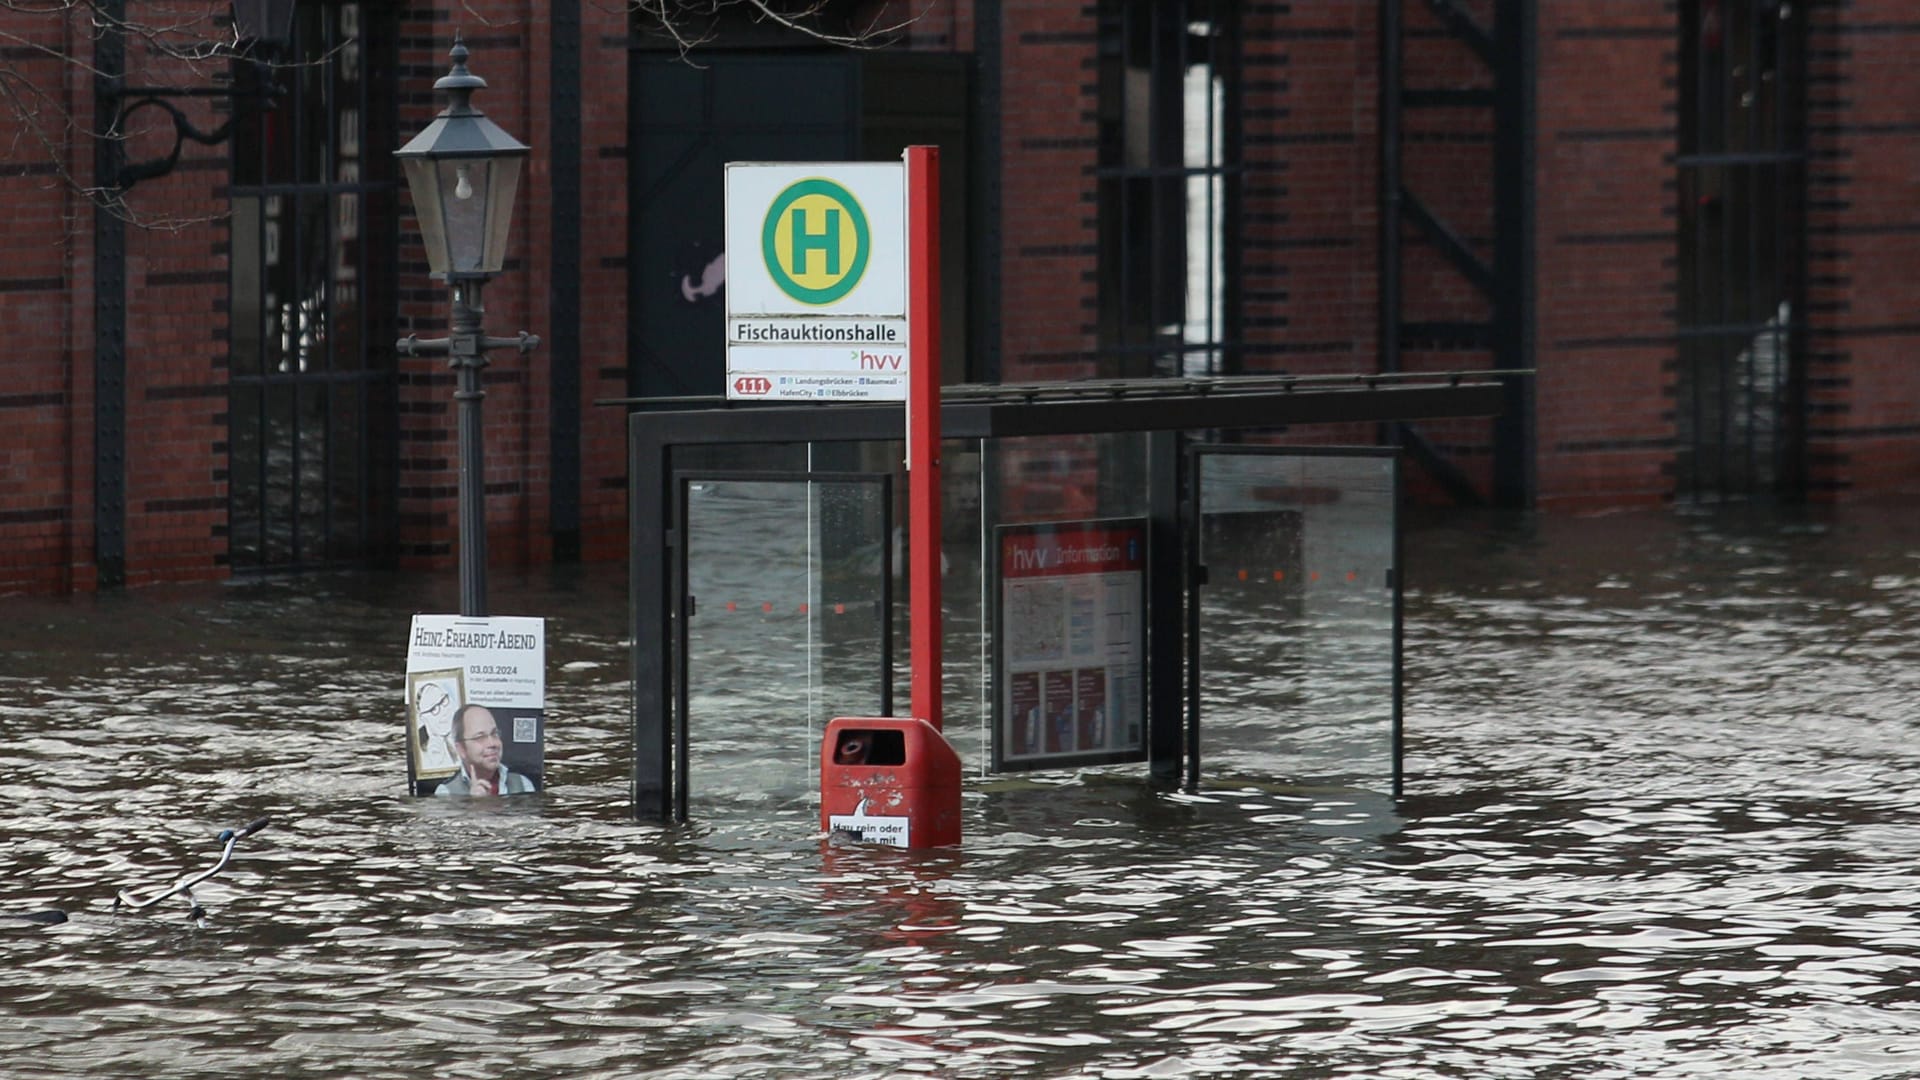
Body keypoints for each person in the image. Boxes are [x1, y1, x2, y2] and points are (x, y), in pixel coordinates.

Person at [435, 704, 538, 796]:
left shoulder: (523, 785)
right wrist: (471, 806)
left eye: (494, 733)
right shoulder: (446, 793)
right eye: (480, 737)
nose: (492, 743)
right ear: (461, 749)